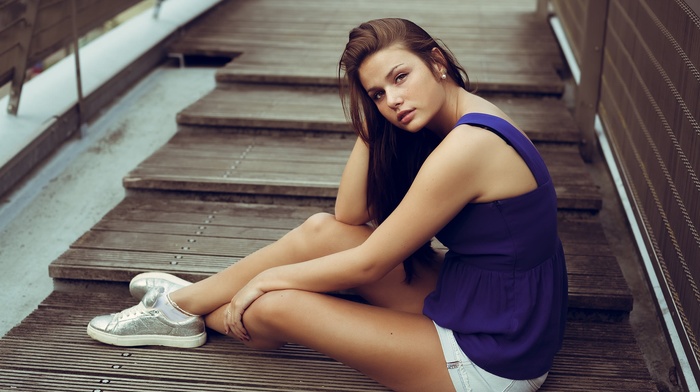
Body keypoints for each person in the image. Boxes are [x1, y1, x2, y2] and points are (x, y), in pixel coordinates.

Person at [87, 18, 568, 392]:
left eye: (401, 77)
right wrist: (374, 126)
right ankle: (182, 304)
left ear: (437, 62)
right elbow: (347, 217)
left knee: (272, 307)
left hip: (496, 355)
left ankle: (188, 311)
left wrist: (262, 280)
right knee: (320, 231)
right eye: (378, 93)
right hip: (484, 299)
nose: (394, 100)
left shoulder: (467, 148)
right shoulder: (460, 116)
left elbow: (371, 261)